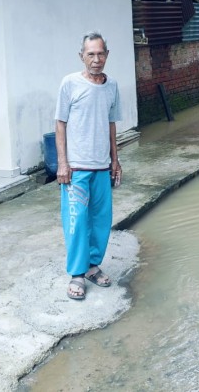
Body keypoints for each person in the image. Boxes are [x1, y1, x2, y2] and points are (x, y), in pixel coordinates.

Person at [55, 31, 123, 300]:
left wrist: (115, 160)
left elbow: (111, 124)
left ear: (107, 54)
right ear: (81, 56)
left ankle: (93, 266)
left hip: (102, 166)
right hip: (77, 168)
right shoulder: (69, 84)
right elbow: (60, 123)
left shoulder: (112, 86)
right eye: (90, 54)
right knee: (76, 222)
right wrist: (63, 163)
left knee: (100, 221)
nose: (96, 59)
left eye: (100, 53)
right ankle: (77, 275)